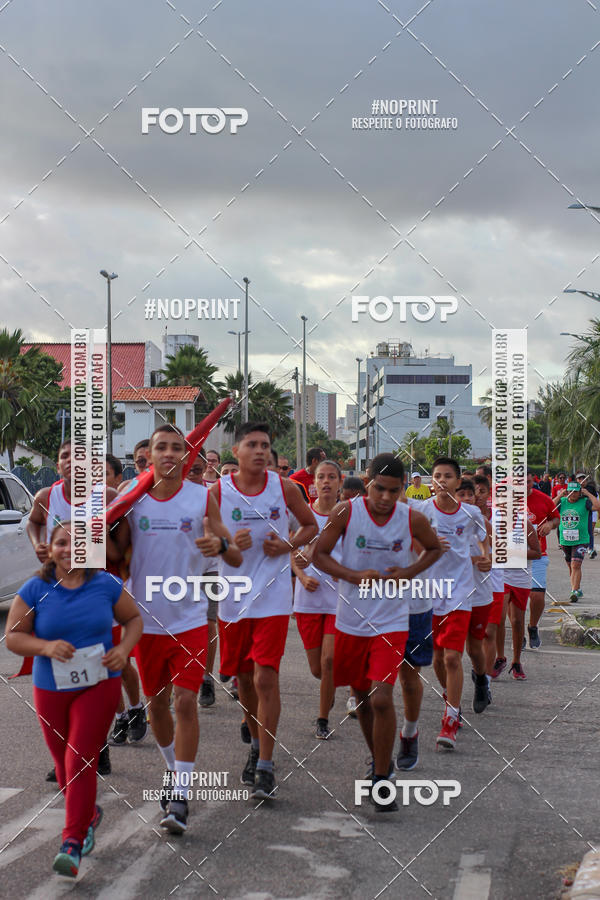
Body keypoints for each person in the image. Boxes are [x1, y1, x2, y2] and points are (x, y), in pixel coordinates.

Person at [109, 423, 242, 835]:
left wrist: (219, 546)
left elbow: (234, 555)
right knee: (158, 707)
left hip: (189, 620)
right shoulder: (133, 499)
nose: (168, 454)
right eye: (160, 447)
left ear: (186, 457)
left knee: (185, 704)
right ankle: (172, 769)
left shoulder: (202, 497)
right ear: (148, 455)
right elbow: (115, 553)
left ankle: (181, 794)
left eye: (175, 448)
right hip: (145, 622)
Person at [5, 520, 143, 877]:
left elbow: (133, 621)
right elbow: (14, 638)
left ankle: (72, 841)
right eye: (62, 543)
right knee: (63, 762)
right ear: (51, 549)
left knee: (80, 758)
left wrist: (124, 650)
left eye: (78, 543)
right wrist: (45, 646)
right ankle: (88, 814)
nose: (70, 549)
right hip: (51, 686)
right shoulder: (36, 588)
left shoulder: (107, 585)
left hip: (99, 682)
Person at [313, 453, 440, 811]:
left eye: (394, 491)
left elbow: (433, 549)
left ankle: (383, 778)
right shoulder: (346, 513)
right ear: (367, 481)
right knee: (364, 698)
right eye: (379, 489)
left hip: (391, 620)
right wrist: (353, 577)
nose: (385, 498)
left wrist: (409, 572)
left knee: (383, 698)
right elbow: (318, 554)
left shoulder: (412, 518)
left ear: (404, 489)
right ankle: (379, 763)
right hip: (351, 620)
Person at [215, 422, 318, 800]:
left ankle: (265, 765)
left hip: (273, 596)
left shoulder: (285, 487)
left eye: (265, 444)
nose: (260, 450)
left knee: (265, 678)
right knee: (243, 677)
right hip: (233, 596)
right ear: (237, 452)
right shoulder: (218, 491)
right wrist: (227, 541)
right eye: (252, 444)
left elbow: (310, 526)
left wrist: (288, 545)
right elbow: (203, 540)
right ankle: (256, 739)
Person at [26, 439, 119, 777]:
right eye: (65, 456)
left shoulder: (106, 496)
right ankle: (67, 751)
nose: (71, 462)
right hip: (54, 587)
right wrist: (39, 545)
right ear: (58, 461)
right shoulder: (46, 497)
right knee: (58, 666)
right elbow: (33, 523)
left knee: (94, 661)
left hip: (93, 586)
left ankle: (98, 746)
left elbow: (124, 539)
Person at [409, 457, 489, 750]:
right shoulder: (420, 509)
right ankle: (449, 698)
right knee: (438, 658)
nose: (442, 480)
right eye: (437, 476)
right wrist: (426, 546)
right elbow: (406, 540)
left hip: (459, 592)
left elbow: (483, 539)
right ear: (432, 481)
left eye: (448, 476)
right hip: (429, 593)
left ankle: (450, 721)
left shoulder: (469, 513)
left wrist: (486, 555)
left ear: (457, 483)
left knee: (453, 658)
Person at [291, 459, 343, 740]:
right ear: (313, 483)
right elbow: (293, 552)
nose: (325, 482)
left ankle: (322, 718)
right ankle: (329, 690)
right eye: (321, 477)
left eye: (331, 477)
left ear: (339, 482)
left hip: (338, 600)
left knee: (329, 661)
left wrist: (343, 573)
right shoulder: (304, 517)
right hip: (308, 599)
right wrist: (300, 573)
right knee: (316, 668)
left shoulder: (348, 517)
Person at [105, 455, 146, 746]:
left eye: (104, 474)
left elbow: (119, 555)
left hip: (114, 589)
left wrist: (95, 530)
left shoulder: (121, 509)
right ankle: (119, 716)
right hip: (79, 592)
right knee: (100, 663)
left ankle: (135, 709)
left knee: (119, 662)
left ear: (118, 479)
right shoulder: (68, 500)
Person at [456, 479, 493, 712]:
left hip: (479, 594)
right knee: (452, 654)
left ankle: (481, 681)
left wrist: (487, 558)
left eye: (471, 494)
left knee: (474, 648)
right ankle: (452, 707)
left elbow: (488, 548)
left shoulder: (483, 523)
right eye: (462, 495)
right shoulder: (443, 524)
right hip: (452, 596)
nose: (468, 498)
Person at [494, 519, 541, 680]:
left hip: (521, 578)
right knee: (499, 618)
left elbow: (537, 552)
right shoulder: (494, 522)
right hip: (501, 576)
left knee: (517, 621)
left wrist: (514, 552)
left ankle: (516, 661)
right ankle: (500, 658)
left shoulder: (524, 524)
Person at [522, 471, 560, 644]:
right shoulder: (505, 500)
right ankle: (518, 633)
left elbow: (556, 519)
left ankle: (533, 626)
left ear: (533, 481)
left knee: (537, 596)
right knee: (513, 599)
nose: (524, 486)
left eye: (528, 482)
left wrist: (549, 524)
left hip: (538, 554)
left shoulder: (544, 499)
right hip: (513, 556)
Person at [556, 480, 600, 601]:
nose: (573, 494)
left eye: (576, 492)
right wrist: (560, 495)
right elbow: (549, 507)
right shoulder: (563, 502)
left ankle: (574, 591)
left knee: (576, 565)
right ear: (567, 491)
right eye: (571, 491)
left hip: (581, 539)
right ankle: (577, 588)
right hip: (565, 540)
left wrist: (589, 494)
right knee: (571, 566)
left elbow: (597, 506)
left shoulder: (585, 502)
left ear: (580, 492)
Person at [577, 473, 598, 559]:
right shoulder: (574, 488)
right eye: (579, 479)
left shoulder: (591, 488)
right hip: (577, 514)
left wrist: (587, 493)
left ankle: (591, 549)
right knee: (577, 531)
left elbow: (595, 500)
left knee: (590, 532)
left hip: (588, 513)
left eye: (583, 478)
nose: (582, 480)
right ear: (577, 480)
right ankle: (576, 548)